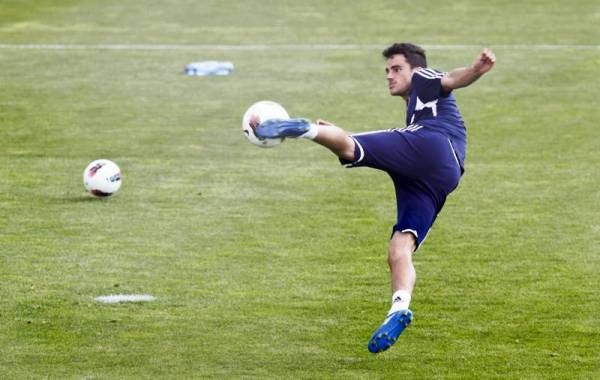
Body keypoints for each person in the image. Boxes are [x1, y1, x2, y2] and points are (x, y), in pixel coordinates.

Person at [250, 42, 496, 353]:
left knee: (350, 146)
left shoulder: (424, 78)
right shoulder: (417, 104)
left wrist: (476, 70)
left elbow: (450, 79)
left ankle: (301, 129)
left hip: (433, 145)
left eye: (396, 69)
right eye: (387, 71)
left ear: (414, 69)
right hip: (438, 174)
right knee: (400, 246)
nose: (389, 76)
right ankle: (399, 310)